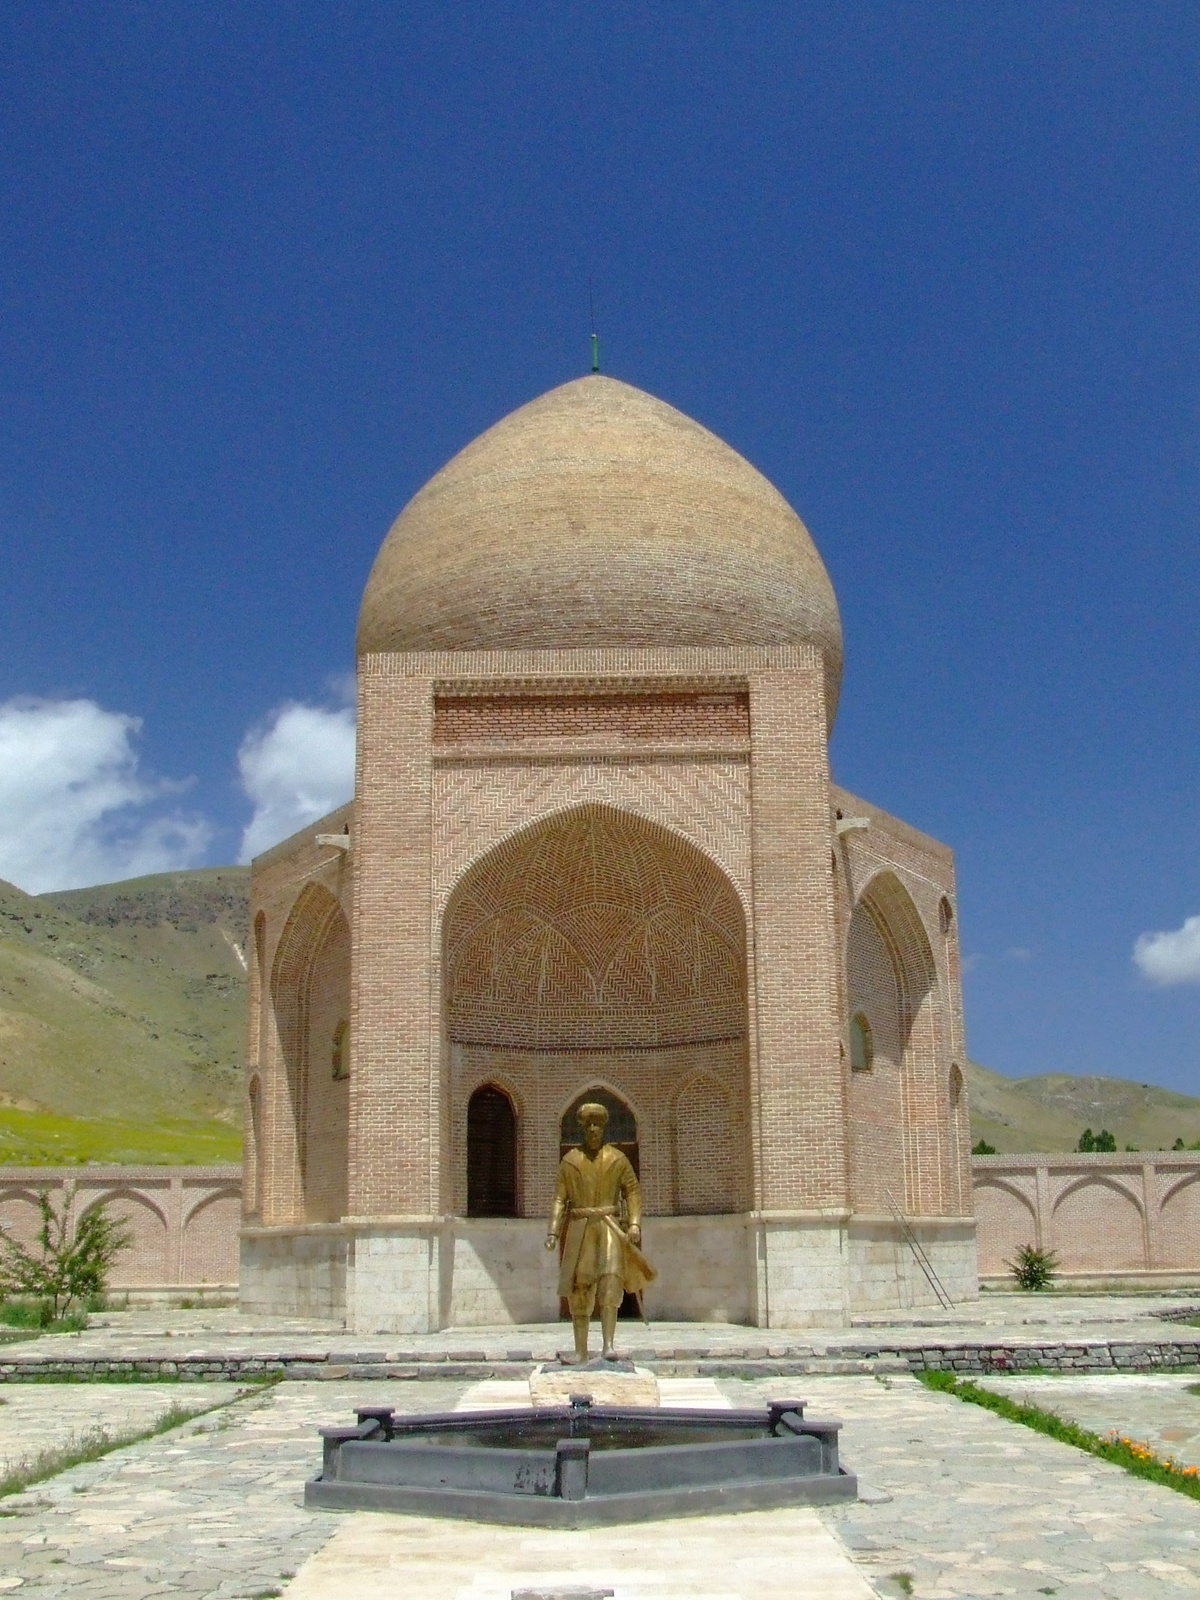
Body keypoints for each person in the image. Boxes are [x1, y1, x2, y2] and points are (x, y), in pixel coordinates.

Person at [545, 1101, 655, 1362]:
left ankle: (608, 1346)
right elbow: (560, 1199)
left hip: (609, 1228)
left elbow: (632, 1191)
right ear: (582, 1128)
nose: (593, 1129)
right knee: (579, 1290)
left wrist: (635, 1223)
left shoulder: (617, 1159)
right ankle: (581, 1351)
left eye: (597, 1124)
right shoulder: (570, 1161)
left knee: (610, 1283)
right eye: (588, 1125)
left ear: (604, 1128)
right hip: (580, 1229)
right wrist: (552, 1231)